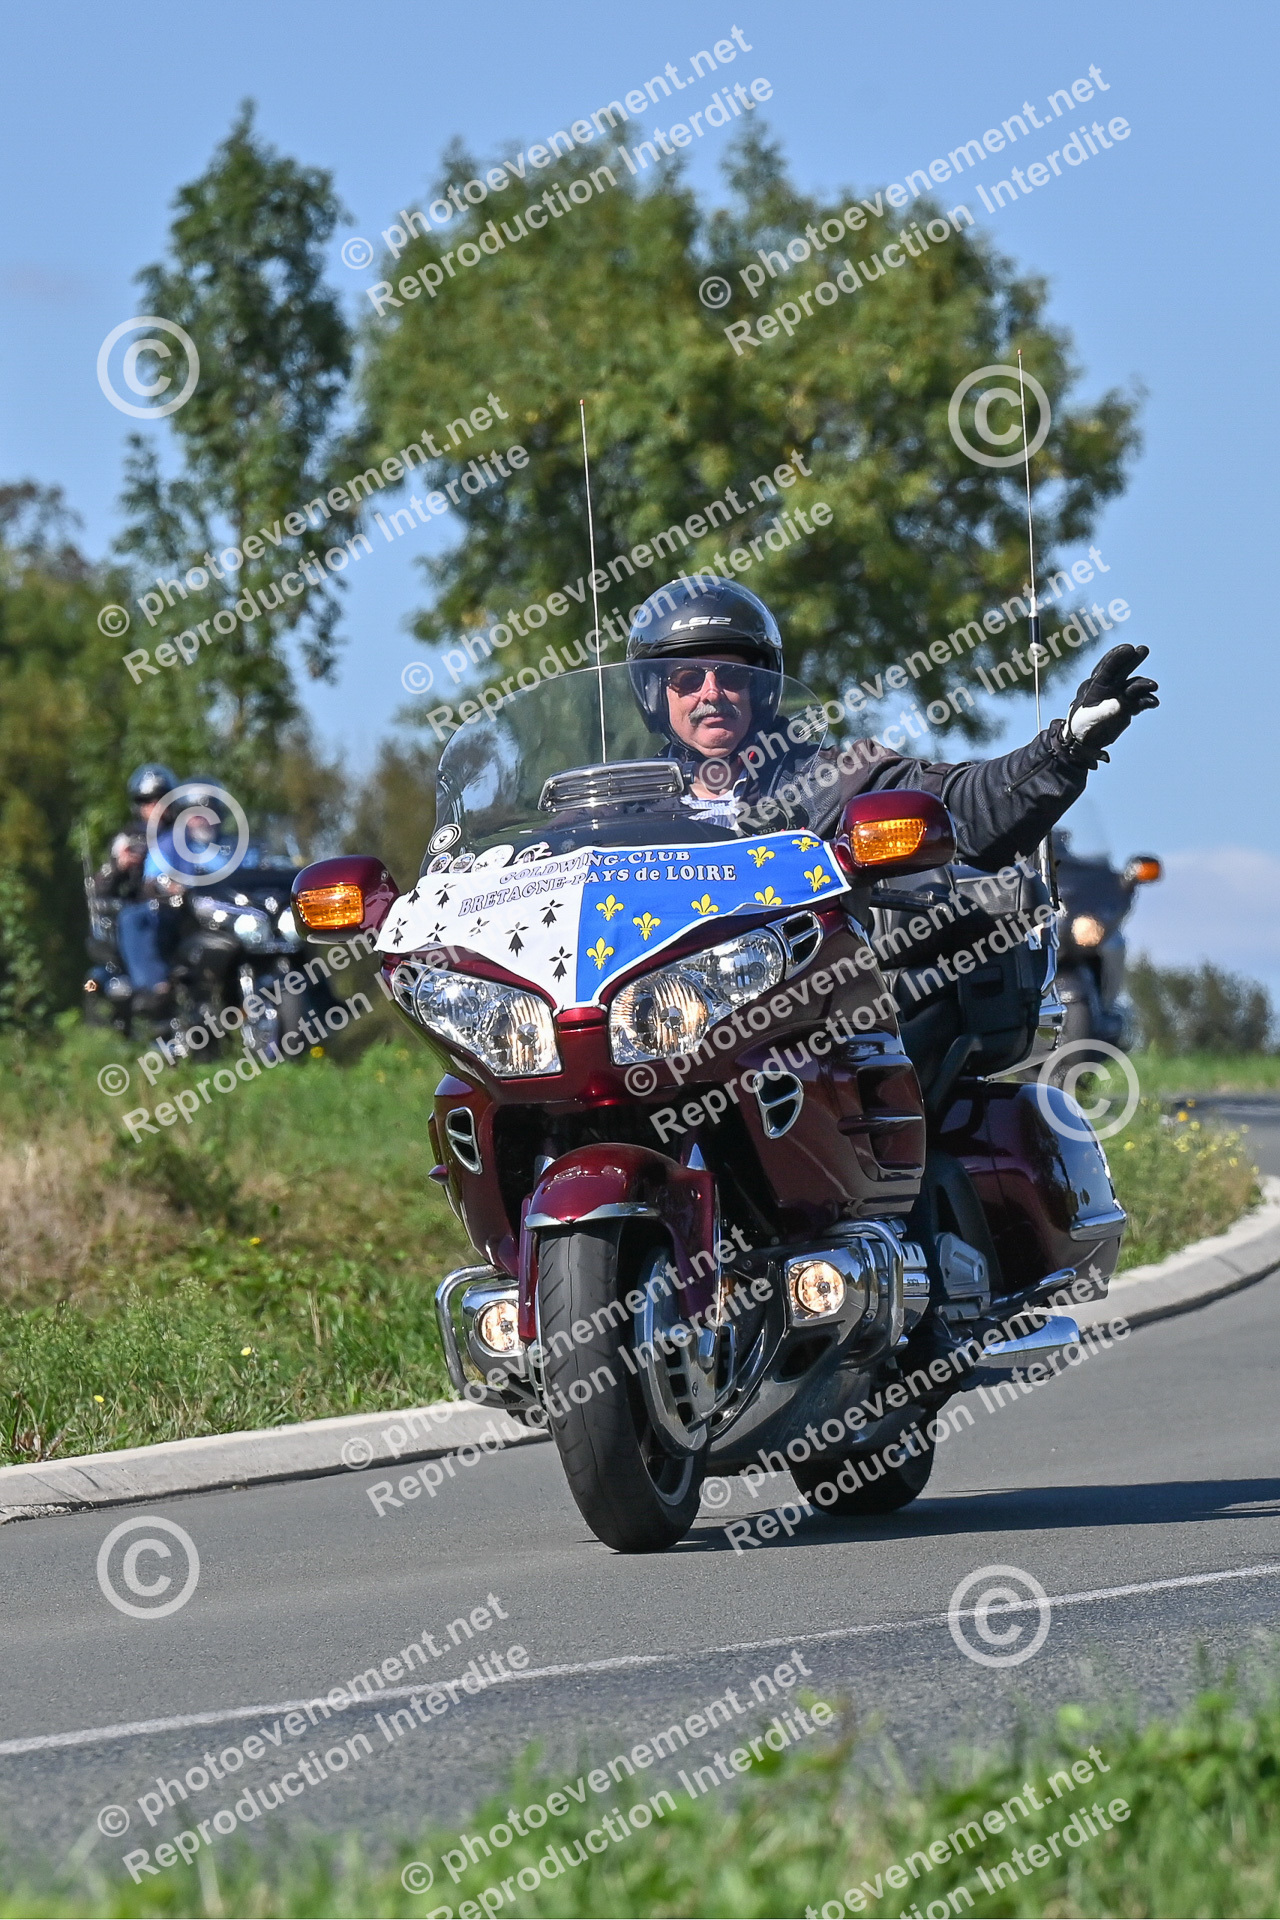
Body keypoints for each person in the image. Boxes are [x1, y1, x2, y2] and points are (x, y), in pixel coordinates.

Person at [626, 576, 1158, 863]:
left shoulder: (833, 780)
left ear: (761, 689)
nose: (711, 693)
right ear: (655, 695)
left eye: (731, 675)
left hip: (806, 1007)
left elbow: (965, 805)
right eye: (687, 679)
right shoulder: (621, 809)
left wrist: (1065, 748)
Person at [93, 763, 180, 1017]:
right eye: (146, 800)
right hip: (147, 909)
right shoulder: (128, 838)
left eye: (160, 799)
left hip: (187, 907)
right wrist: (119, 866)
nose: (154, 806)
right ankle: (154, 988)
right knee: (132, 918)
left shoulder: (186, 833)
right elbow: (101, 887)